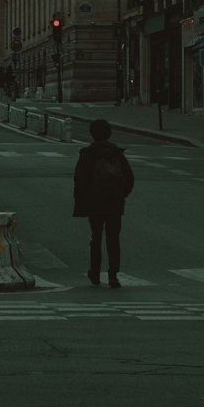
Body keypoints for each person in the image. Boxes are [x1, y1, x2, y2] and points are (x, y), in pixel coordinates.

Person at [73, 118, 134, 287]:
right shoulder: (117, 154)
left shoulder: (88, 154)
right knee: (113, 239)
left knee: (96, 237)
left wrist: (81, 200)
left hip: (95, 203)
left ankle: (95, 273)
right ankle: (113, 274)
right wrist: (121, 195)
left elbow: (80, 179)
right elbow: (129, 178)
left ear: (92, 134)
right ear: (109, 133)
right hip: (115, 203)